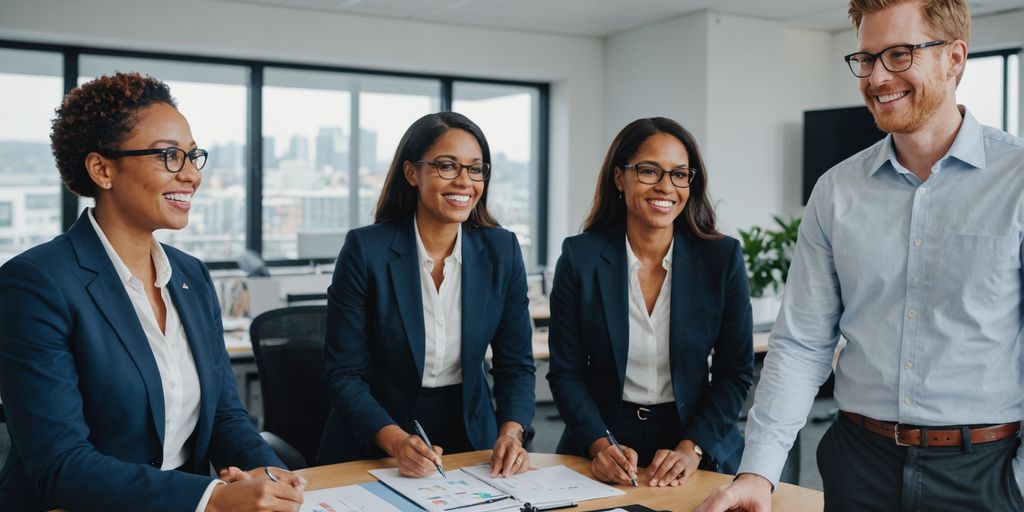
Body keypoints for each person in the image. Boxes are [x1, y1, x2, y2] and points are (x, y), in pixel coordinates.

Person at [697, 1, 1024, 511]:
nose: (876, 77)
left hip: (986, 473)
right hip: (859, 466)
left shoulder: (1017, 180)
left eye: (898, 54)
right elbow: (803, 345)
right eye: (866, 59)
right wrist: (758, 473)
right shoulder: (835, 192)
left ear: (954, 58)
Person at [0, 72, 306, 511]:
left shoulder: (191, 276)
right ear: (102, 169)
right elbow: (61, 465)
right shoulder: (37, 283)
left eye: (192, 156)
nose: (191, 176)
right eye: (168, 156)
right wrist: (213, 498)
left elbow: (224, 415)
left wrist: (272, 477)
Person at [317, 112, 535, 478]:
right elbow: (344, 373)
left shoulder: (503, 251)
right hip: (375, 439)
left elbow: (515, 365)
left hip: (472, 438)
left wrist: (512, 433)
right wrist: (396, 441)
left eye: (476, 169)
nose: (464, 181)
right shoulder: (366, 250)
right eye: (447, 166)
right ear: (411, 173)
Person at [546, 117, 754, 488]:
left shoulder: (721, 258)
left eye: (679, 174)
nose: (665, 187)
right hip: (602, 438)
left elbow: (734, 372)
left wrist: (692, 448)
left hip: (694, 438)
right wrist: (598, 445)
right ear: (618, 177)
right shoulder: (580, 258)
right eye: (648, 171)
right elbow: (566, 372)